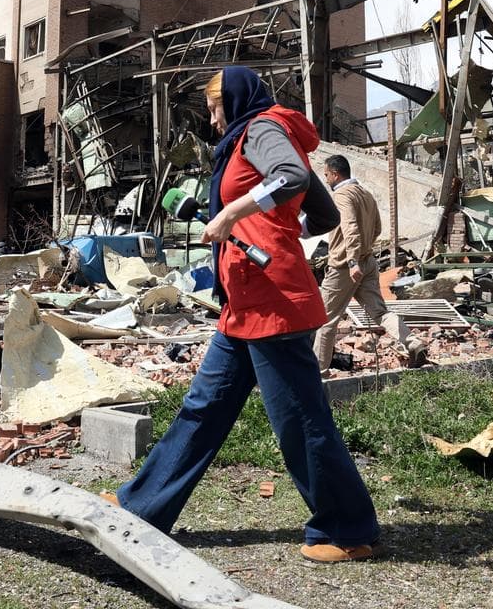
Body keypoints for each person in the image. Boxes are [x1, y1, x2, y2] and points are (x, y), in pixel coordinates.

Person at [112, 66, 380, 563]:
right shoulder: (246, 140)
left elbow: (294, 177)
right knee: (202, 409)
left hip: (274, 301)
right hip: (244, 302)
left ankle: (348, 531)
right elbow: (322, 214)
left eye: (215, 109)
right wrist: (277, 226)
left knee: (299, 419)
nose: (214, 120)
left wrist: (233, 214)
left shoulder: (261, 129)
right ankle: (141, 506)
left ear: (235, 101)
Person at [313, 155, 426, 370]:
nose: (326, 179)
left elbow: (350, 227)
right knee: (380, 313)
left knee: (325, 320)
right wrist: (364, 251)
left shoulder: (342, 195)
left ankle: (318, 372)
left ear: (335, 174)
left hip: (345, 267)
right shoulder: (365, 193)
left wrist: (353, 260)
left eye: (326, 175)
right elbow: (377, 229)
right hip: (368, 263)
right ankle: (413, 342)